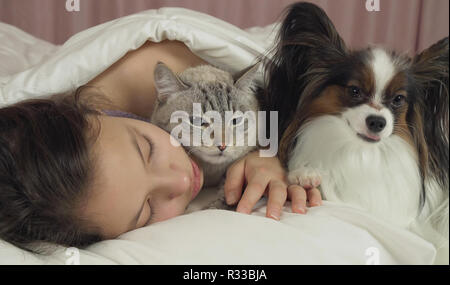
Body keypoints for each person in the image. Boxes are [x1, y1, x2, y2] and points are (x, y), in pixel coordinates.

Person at [0, 40, 322, 252]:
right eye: (147, 211)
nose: (182, 180)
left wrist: (267, 151)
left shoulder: (155, 66)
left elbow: (272, 96)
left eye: (147, 149)